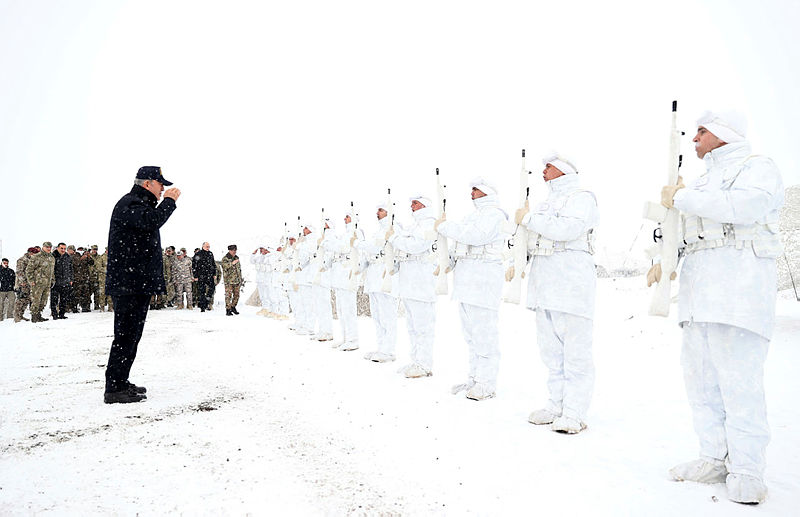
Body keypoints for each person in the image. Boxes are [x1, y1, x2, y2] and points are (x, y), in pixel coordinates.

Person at [658, 110, 783, 504]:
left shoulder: (756, 167)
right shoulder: (704, 180)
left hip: (738, 291)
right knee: (702, 383)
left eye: (702, 131)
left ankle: (747, 469)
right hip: (699, 294)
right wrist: (661, 257)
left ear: (724, 134)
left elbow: (746, 207)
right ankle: (713, 456)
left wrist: (682, 196)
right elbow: (688, 228)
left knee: (738, 384)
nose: (694, 138)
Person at [514, 152, 599, 434]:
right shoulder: (545, 202)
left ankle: (575, 412)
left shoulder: (581, 196)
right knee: (551, 351)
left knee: (575, 352)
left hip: (571, 281)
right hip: (545, 282)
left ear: (562, 170)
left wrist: (528, 221)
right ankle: (556, 405)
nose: (544, 171)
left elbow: (568, 229)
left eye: (548, 167)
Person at [104, 165, 180, 404]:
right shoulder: (130, 204)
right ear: (147, 183)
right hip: (128, 283)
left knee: (132, 335)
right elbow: (151, 222)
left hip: (136, 282)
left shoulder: (140, 204)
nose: (163, 190)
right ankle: (114, 388)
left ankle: (121, 381)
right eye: (160, 185)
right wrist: (169, 202)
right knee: (125, 335)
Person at [437, 178, 508, 400]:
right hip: (467, 282)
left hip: (483, 282)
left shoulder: (495, 214)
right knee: (471, 336)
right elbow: (461, 244)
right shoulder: (472, 216)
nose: (472, 193)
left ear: (486, 192)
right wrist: (447, 261)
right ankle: (475, 378)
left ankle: (487, 383)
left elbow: (476, 236)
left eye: (476, 190)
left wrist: (445, 226)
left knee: (484, 336)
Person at [387, 195, 438, 378]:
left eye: (415, 203)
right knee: (413, 326)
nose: (411, 206)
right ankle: (416, 360)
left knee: (423, 327)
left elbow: (417, 246)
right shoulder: (415, 225)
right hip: (410, 282)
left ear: (425, 204)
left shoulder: (428, 223)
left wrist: (395, 239)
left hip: (422, 282)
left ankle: (424, 364)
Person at [359, 202, 400, 363]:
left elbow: (376, 248)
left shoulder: (394, 229)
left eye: (381, 210)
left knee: (387, 316)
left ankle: (388, 351)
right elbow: (370, 253)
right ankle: (381, 347)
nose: (377, 213)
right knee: (377, 316)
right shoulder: (378, 231)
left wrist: (358, 243)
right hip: (374, 278)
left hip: (385, 277)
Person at [328, 210, 364, 351]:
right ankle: (345, 338)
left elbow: (343, 248)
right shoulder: (344, 234)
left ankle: (353, 339)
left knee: (349, 310)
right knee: (341, 310)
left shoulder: (356, 233)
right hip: (339, 276)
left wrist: (328, 243)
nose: (344, 219)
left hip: (347, 275)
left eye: (347, 217)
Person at [26, 241, 56, 323]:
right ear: (43, 247)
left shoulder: (52, 258)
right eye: (47, 247)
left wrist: (53, 280)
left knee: (43, 301)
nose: (49, 248)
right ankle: (34, 316)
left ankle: (39, 315)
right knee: (36, 300)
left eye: (50, 247)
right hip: (37, 283)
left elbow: (52, 271)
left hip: (47, 283)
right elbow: (29, 270)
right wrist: (31, 280)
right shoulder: (36, 257)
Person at [13, 247, 38, 322]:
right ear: (30, 253)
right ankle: (17, 316)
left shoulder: (32, 260)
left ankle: (21, 315)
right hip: (23, 284)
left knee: (27, 300)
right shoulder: (22, 260)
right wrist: (23, 281)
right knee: (21, 300)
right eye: (34, 254)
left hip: (30, 283)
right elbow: (19, 272)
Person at [50, 242, 74, 320]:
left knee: (64, 299)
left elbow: (71, 269)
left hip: (66, 281)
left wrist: (71, 279)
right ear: (57, 248)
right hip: (55, 282)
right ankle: (54, 314)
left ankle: (62, 314)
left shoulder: (68, 257)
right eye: (61, 248)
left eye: (64, 248)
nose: (63, 250)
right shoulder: (53, 256)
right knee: (54, 299)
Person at [193, 242, 216, 312]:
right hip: (201, 275)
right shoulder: (198, 254)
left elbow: (213, 264)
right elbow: (194, 266)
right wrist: (195, 276)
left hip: (209, 275)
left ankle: (206, 302)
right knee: (201, 291)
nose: (208, 248)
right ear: (203, 246)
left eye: (209, 246)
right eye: (207, 246)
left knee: (212, 288)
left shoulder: (210, 253)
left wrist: (214, 274)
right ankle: (202, 307)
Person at [251, 246, 273, 316]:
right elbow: (252, 261)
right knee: (262, 295)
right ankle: (264, 308)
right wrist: (253, 254)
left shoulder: (270, 257)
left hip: (267, 279)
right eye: (260, 249)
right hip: (260, 279)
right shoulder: (259, 257)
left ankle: (270, 309)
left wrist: (269, 253)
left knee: (268, 295)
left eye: (262, 249)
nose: (261, 250)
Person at [220, 244, 242, 316]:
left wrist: (240, 279)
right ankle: (228, 309)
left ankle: (233, 307)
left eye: (235, 250)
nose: (234, 252)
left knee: (236, 295)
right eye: (233, 250)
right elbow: (224, 266)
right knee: (228, 296)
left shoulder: (236, 258)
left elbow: (239, 269)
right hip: (229, 281)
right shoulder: (225, 258)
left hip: (237, 280)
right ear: (229, 250)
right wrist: (232, 263)